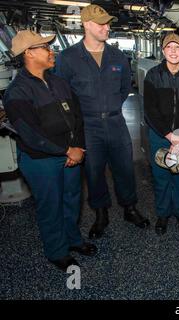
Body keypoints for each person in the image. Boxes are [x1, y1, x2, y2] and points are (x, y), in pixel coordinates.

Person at [3, 30, 97, 271]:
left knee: (72, 200)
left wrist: (78, 148)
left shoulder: (58, 82)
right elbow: (30, 134)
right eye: (45, 47)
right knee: (51, 206)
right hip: (41, 160)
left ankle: (73, 240)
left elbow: (77, 117)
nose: (51, 51)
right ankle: (57, 251)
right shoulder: (18, 91)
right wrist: (66, 151)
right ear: (30, 53)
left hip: (71, 153)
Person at [55, 4, 149, 239]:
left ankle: (129, 208)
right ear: (87, 24)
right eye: (101, 24)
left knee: (125, 169)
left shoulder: (118, 56)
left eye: (108, 23)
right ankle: (100, 214)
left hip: (116, 122)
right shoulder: (67, 59)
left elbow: (125, 87)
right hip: (87, 125)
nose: (107, 27)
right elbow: (62, 95)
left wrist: (111, 107)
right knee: (94, 172)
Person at [143, 33, 179, 235]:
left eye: (178, 47)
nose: (174, 51)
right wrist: (169, 135)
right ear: (163, 50)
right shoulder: (153, 75)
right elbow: (150, 110)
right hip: (160, 135)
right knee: (161, 177)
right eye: (170, 47)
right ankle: (163, 215)